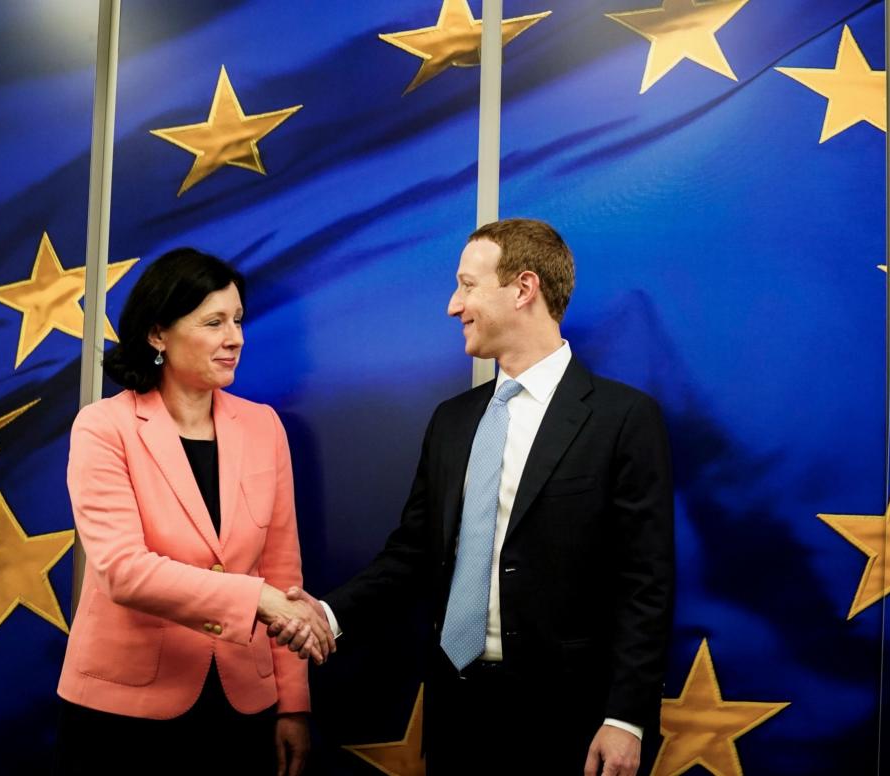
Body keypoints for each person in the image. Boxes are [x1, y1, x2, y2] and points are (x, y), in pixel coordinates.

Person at [274, 219, 674, 775]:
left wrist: (626, 718)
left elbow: (646, 584)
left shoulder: (625, 419)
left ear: (523, 288)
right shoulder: (452, 422)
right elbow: (412, 553)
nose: (451, 305)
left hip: (574, 723)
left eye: (466, 285)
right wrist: (326, 613)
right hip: (456, 713)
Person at [54, 248, 334, 775]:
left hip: (243, 705)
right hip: (121, 712)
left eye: (237, 321)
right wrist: (259, 600)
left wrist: (293, 703)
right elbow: (123, 571)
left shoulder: (264, 427)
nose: (236, 338)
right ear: (158, 333)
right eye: (214, 322)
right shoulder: (102, 427)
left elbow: (283, 570)